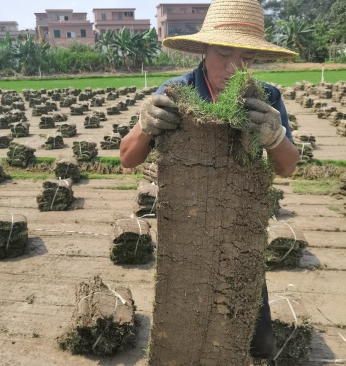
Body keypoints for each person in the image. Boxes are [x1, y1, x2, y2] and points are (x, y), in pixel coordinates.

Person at [120, 0, 299, 360]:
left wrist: (274, 137)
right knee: (185, 326)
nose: (235, 67)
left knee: (258, 341)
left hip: (239, 233)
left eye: (247, 58)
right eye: (224, 52)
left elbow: (287, 167)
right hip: (189, 232)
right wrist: (144, 123)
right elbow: (127, 158)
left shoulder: (266, 98)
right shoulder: (177, 92)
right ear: (204, 48)